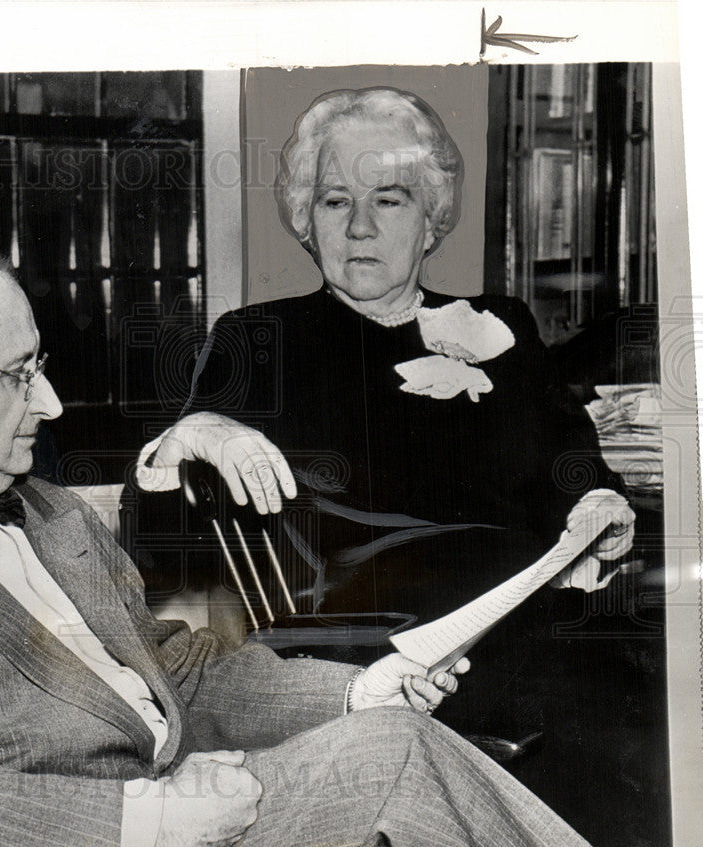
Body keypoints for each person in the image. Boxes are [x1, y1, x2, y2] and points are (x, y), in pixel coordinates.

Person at [0, 232, 606, 847]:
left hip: (192, 815)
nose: (50, 401)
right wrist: (152, 818)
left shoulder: (45, 511)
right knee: (398, 763)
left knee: (392, 736)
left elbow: (177, 672)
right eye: (17, 373)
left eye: (41, 365)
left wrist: (352, 687)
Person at [135, 86, 635, 628]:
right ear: (308, 221)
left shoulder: (502, 323)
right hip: (374, 638)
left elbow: (574, 461)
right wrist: (191, 435)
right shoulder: (260, 338)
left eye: (388, 199)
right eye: (335, 200)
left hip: (536, 613)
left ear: (431, 221)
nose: (359, 226)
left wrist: (600, 504)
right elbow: (165, 543)